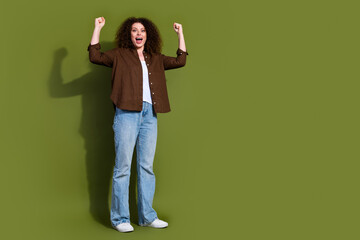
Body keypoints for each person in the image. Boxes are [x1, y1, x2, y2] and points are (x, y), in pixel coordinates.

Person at [87, 16, 188, 232]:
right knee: (123, 167)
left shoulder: (155, 58)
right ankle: (120, 219)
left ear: (147, 34)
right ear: (128, 34)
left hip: (150, 114)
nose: (138, 33)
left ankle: (147, 216)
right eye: (134, 30)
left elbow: (181, 61)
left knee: (146, 167)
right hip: (126, 113)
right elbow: (95, 56)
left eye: (142, 30)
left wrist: (180, 34)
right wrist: (97, 28)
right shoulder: (119, 55)